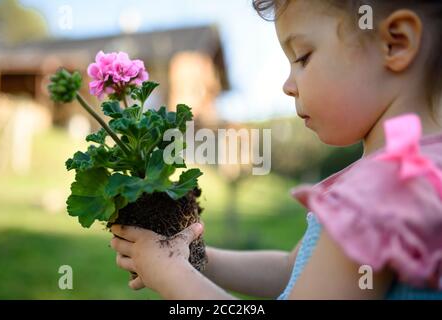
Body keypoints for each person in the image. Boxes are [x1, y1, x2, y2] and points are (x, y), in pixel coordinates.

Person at [109, 0, 442, 299]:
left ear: (395, 43)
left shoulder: (380, 189)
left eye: (302, 57)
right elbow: (290, 270)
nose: (287, 85)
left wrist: (169, 273)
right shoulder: (411, 172)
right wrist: (194, 257)